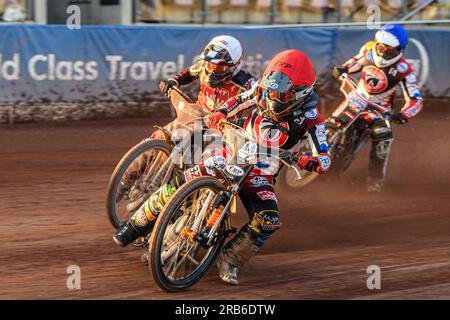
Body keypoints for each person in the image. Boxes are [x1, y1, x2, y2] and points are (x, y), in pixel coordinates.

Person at [113, 49, 331, 285]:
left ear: (301, 94)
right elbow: (238, 100)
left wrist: (301, 160)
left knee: (268, 219)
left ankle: (230, 259)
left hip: (261, 173)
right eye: (271, 91)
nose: (273, 99)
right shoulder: (261, 90)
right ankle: (136, 225)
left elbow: (325, 160)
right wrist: (220, 113)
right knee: (179, 182)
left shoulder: (313, 120)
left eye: (283, 95)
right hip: (233, 151)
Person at [332, 24, 424, 192]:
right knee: (332, 122)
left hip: (379, 110)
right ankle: (309, 150)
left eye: (389, 49)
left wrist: (403, 114)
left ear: (399, 50)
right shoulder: (368, 49)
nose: (382, 52)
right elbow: (357, 62)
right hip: (357, 98)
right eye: (380, 46)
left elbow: (416, 99)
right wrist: (344, 69)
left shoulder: (404, 70)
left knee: (383, 136)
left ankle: (375, 179)